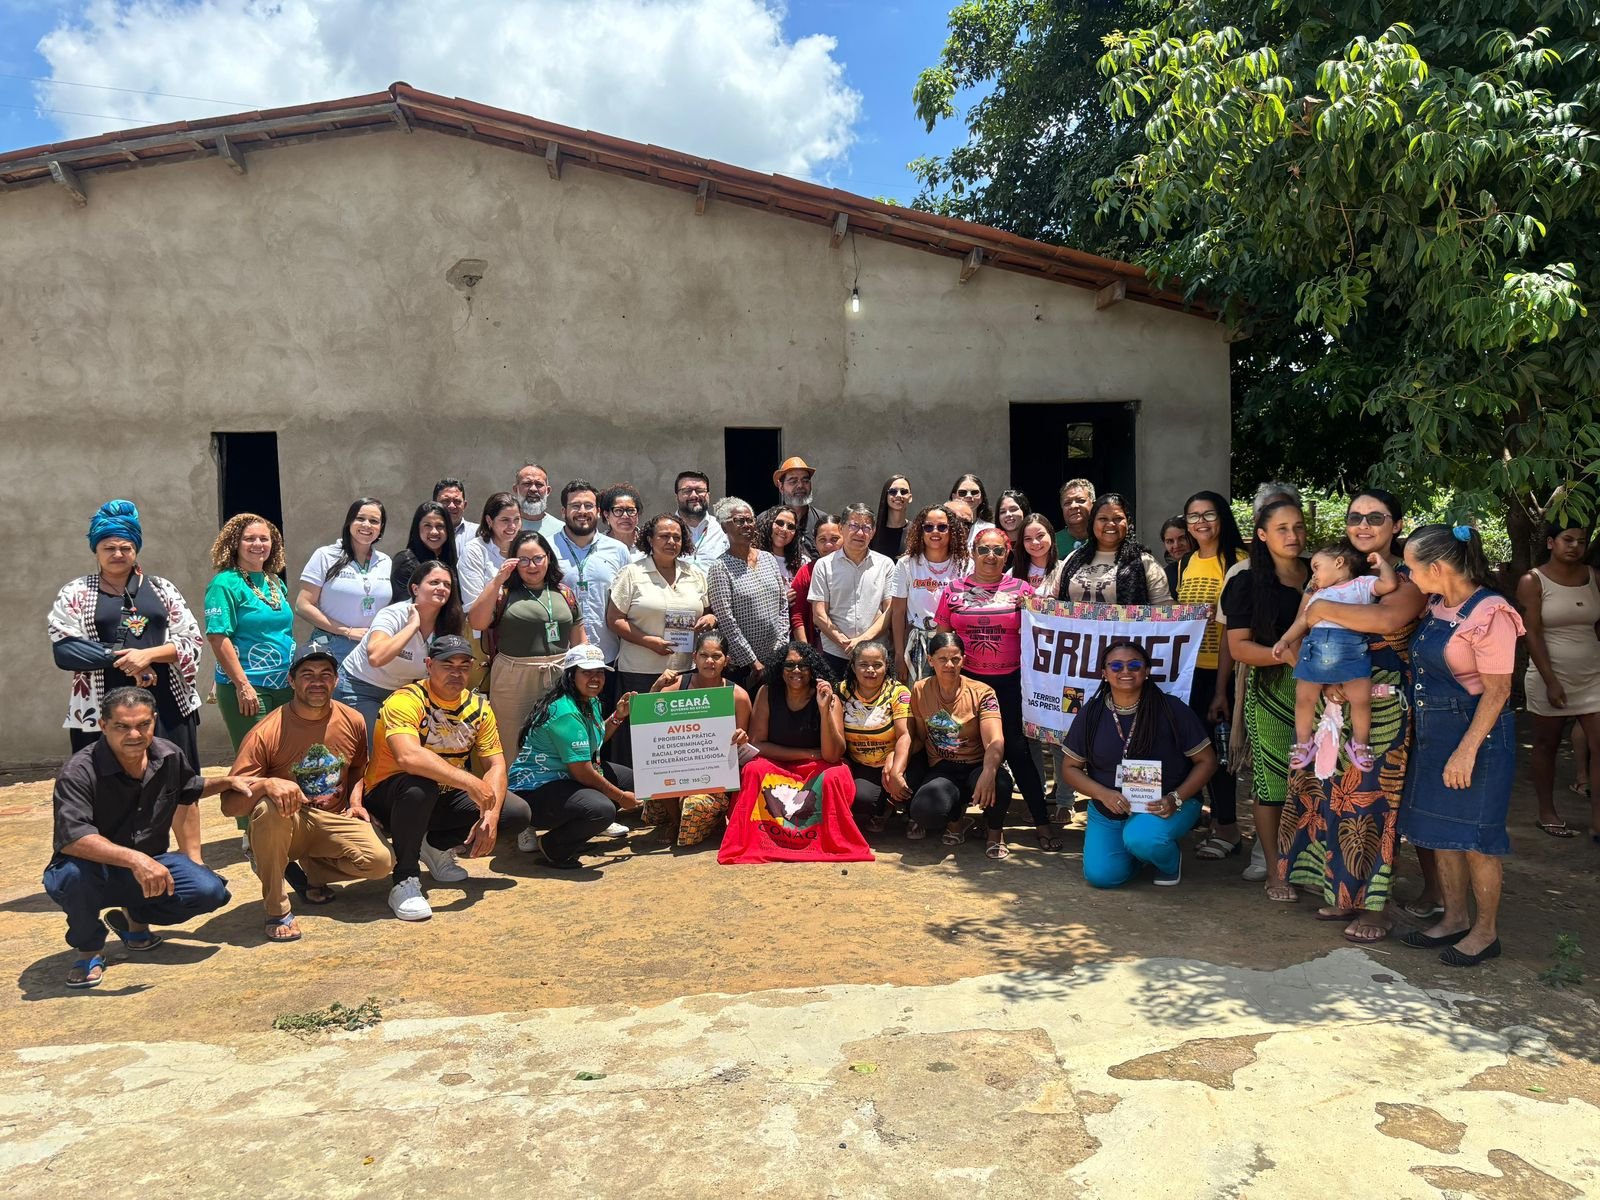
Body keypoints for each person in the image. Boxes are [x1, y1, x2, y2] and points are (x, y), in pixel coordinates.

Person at [1280, 489, 1427, 943]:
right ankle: (1341, 893)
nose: (1363, 525)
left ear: (1396, 525)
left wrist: (1322, 607)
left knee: (1372, 805)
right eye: (1355, 517)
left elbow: (1384, 621)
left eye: (1375, 517)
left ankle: (1376, 908)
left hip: (1381, 710)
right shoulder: (1323, 573)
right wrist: (1323, 683)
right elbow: (1299, 636)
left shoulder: (1409, 575)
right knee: (1330, 798)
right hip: (1329, 702)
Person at [43, 687, 256, 988]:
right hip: (90, 868)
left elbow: (188, 789)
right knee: (73, 879)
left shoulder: (167, 754)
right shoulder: (79, 771)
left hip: (148, 863)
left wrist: (226, 782)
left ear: (154, 721)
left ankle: (136, 921)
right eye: (122, 726)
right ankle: (89, 950)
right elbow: (73, 837)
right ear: (103, 726)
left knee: (209, 890)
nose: (134, 734)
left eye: (143, 724)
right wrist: (135, 859)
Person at [1397, 525, 1524, 967]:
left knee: (1476, 838)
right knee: (1441, 833)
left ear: (1436, 568)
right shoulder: (1437, 605)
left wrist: (1466, 750)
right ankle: (1453, 919)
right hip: (1436, 731)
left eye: (1412, 567)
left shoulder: (1493, 613)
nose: (1407, 576)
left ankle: (1485, 933)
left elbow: (1497, 691)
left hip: (1479, 736)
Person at [227, 647, 394, 942]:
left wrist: (355, 802)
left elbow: (358, 768)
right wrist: (266, 785)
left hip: (333, 817)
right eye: (307, 675)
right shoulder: (266, 732)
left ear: (336, 681)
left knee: (381, 863)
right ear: (291, 681)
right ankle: (276, 906)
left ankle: (308, 871)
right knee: (267, 809)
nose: (317, 681)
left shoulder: (353, 719)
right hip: (289, 820)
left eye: (325, 674)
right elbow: (230, 804)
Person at [49, 500, 205, 789]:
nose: (118, 554)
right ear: (96, 550)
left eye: (125, 547)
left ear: (136, 549)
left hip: (167, 705)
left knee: (179, 787)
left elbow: (192, 640)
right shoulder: (76, 592)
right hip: (100, 708)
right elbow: (65, 649)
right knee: (108, 791)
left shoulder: (162, 588)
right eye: (109, 548)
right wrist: (124, 660)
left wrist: (146, 655)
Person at [363, 635, 519, 921]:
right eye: (448, 665)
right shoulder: (406, 700)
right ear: (429, 665)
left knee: (513, 812)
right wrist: (472, 782)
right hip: (390, 795)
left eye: (464, 666)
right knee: (419, 786)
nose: (456, 673)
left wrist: (491, 815)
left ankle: (435, 847)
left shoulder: (479, 708)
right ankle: (404, 880)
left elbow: (496, 764)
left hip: (442, 794)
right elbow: (408, 757)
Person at [936, 526, 1059, 850]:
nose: (991, 556)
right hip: (967, 685)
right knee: (962, 750)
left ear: (1008, 555)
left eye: (998, 551)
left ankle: (1042, 823)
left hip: (1011, 683)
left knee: (1017, 752)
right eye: (984, 550)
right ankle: (962, 820)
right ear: (973, 553)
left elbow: (1046, 633)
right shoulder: (953, 591)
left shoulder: (1021, 591)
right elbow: (943, 640)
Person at [1059, 640, 1219, 887]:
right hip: (1110, 808)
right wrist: (1103, 794)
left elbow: (1206, 761)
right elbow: (1070, 768)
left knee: (1144, 837)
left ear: (1146, 671)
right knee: (1102, 877)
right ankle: (1139, 853)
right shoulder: (1091, 713)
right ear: (1104, 673)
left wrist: (1175, 798)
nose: (1125, 671)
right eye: (1116, 666)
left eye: (1134, 665)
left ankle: (1167, 861)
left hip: (1166, 804)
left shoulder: (1171, 709)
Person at [1221, 498, 1308, 904]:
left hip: (1329, 695)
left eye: (1298, 527)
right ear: (1262, 535)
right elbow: (1239, 647)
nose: (1293, 536)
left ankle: (1314, 864)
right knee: (1272, 784)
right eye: (1282, 529)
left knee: (1318, 782)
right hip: (1272, 690)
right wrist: (1287, 655)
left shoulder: (1325, 573)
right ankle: (1277, 868)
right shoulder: (1247, 582)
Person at [719, 640, 871, 864]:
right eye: (789, 665)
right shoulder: (766, 693)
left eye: (803, 665)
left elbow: (831, 756)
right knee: (753, 769)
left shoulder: (830, 699)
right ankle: (760, 839)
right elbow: (758, 744)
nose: (796, 671)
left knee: (834, 775)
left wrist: (824, 709)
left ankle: (825, 840)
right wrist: (809, 753)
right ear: (780, 670)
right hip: (781, 765)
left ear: (813, 670)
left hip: (817, 768)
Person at [508, 644, 641, 867]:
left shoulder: (589, 700)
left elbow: (593, 742)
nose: (595, 678)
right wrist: (620, 797)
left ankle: (574, 834)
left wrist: (618, 716)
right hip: (534, 790)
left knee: (634, 780)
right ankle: (554, 846)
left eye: (599, 672)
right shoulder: (566, 712)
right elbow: (582, 772)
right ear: (570, 674)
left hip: (565, 777)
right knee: (602, 809)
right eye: (586, 672)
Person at [1173, 491, 1249, 859]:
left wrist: (1221, 688)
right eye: (1192, 516)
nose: (1200, 522)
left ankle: (1229, 829)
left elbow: (1232, 630)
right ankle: (1212, 822)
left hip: (1223, 673)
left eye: (1208, 514)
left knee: (1219, 755)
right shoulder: (1187, 561)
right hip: (1189, 673)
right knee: (1196, 750)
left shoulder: (1238, 562)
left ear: (1223, 518)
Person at [1274, 544, 1399, 769]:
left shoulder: (1363, 585)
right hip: (1315, 649)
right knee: (1304, 698)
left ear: (1339, 563)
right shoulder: (1318, 594)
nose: (1314, 575)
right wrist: (1285, 640)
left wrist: (1383, 565)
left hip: (1352, 650)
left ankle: (1360, 744)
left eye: (1317, 567)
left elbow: (1389, 584)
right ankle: (1303, 743)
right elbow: (1303, 621)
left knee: (1361, 701)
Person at [1517, 521, 1600, 838]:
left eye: (1581, 541)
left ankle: (1597, 822)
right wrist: (1551, 681)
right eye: (1567, 539)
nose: (1575, 546)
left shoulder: (1594, 578)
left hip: (1592, 675)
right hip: (1549, 675)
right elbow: (1532, 634)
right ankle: (1547, 812)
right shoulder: (1532, 580)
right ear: (1551, 542)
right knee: (1546, 744)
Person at [607, 513, 714, 759]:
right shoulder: (632, 573)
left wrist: (710, 619)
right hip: (639, 672)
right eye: (664, 536)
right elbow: (614, 619)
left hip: (683, 671)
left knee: (675, 742)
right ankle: (633, 793)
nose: (671, 542)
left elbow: (707, 612)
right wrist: (648, 641)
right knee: (638, 741)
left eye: (677, 537)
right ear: (650, 539)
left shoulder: (694, 573)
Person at [470, 531, 585, 747]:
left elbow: (580, 643)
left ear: (548, 558)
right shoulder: (503, 593)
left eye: (537, 558)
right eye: (523, 560)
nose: (532, 566)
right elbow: (477, 622)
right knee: (512, 743)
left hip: (559, 676)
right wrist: (497, 580)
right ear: (513, 563)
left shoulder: (565, 593)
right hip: (514, 679)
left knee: (559, 743)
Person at [638, 630, 753, 846]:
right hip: (676, 770)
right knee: (657, 770)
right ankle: (674, 821)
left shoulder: (738, 696)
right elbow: (647, 727)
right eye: (704, 655)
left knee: (694, 807)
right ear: (694, 657)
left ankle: (711, 817)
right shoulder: (676, 686)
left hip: (715, 774)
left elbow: (742, 750)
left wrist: (741, 738)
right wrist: (655, 688)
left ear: (726, 660)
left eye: (716, 656)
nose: (710, 661)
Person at [905, 632, 1012, 858]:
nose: (949, 665)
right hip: (943, 767)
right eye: (942, 659)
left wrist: (989, 771)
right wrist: (895, 767)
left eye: (956, 658)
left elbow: (995, 740)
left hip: (976, 764)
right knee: (924, 810)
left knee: (1000, 783)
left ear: (964, 659)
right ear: (930, 660)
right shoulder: (919, 690)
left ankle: (994, 832)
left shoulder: (983, 692)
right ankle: (957, 820)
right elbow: (919, 737)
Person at [337, 561, 464, 748]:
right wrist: (413, 626)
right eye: (434, 582)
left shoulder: (449, 624)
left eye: (447, 584)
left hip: (403, 694)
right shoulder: (393, 614)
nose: (441, 588)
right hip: (360, 688)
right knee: (381, 747)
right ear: (415, 588)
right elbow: (376, 657)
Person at [205, 512, 296, 752]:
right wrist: (242, 685)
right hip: (249, 687)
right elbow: (217, 637)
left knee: (284, 757)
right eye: (249, 539)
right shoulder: (224, 584)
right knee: (256, 759)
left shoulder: (274, 581)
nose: (258, 545)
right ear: (235, 543)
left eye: (264, 539)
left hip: (284, 684)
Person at [552, 480, 634, 689]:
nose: (582, 511)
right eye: (575, 506)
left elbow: (629, 602)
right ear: (563, 511)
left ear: (598, 511)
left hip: (606, 657)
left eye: (588, 506)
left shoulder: (618, 550)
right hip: (560, 657)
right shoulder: (547, 547)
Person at [295, 498, 392, 666]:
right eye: (360, 518)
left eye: (374, 521)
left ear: (381, 528)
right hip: (332, 645)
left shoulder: (386, 562)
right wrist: (347, 631)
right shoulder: (326, 555)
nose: (367, 525)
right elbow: (303, 605)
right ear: (349, 521)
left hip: (370, 648)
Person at [706, 496, 789, 692]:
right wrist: (753, 662)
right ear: (725, 527)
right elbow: (726, 620)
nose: (746, 525)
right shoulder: (720, 567)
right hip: (743, 667)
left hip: (775, 660)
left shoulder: (768, 558)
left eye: (749, 520)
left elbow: (783, 606)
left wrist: (780, 649)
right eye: (739, 521)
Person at [809, 504, 896, 679]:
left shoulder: (885, 565)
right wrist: (843, 641)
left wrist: (862, 640)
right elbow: (819, 614)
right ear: (842, 528)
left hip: (874, 656)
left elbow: (890, 611)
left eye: (866, 527)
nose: (860, 533)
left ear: (873, 532)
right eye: (854, 526)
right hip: (835, 654)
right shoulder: (824, 565)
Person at [837, 639, 913, 831]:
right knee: (861, 800)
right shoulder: (841, 692)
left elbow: (905, 735)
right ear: (853, 667)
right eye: (863, 664)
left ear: (886, 666)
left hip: (898, 760)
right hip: (862, 763)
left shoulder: (898, 692)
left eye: (877, 665)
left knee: (913, 795)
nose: (870, 670)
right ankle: (885, 807)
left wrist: (895, 766)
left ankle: (906, 809)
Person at [890, 504, 970, 683]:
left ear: (952, 531)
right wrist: (898, 653)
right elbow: (898, 613)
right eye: (928, 527)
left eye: (942, 527)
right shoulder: (906, 564)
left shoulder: (965, 565)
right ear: (920, 530)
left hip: (954, 644)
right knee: (919, 701)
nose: (935, 531)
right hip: (917, 645)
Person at [1055, 493, 1171, 603]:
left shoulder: (1145, 563)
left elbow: (1163, 606)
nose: (1110, 524)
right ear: (1092, 523)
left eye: (1117, 518)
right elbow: (1052, 597)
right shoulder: (1073, 559)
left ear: (1128, 523)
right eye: (1103, 519)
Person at [759, 457, 833, 560]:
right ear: (781, 487)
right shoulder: (764, 520)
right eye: (793, 481)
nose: (800, 485)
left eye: (805, 480)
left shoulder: (823, 522)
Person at [457, 492, 522, 609]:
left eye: (516, 519)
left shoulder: (525, 547)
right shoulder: (475, 551)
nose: (512, 526)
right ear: (489, 521)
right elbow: (472, 605)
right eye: (505, 520)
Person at [390, 501, 458, 603]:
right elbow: (405, 605)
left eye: (440, 526)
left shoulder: (451, 560)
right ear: (417, 528)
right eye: (427, 525)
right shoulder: (405, 561)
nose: (434, 532)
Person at [788, 518, 843, 646]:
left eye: (835, 539)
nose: (828, 545)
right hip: (818, 648)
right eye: (822, 540)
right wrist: (806, 654)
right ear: (815, 543)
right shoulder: (806, 572)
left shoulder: (856, 570)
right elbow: (797, 617)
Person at [674, 470, 729, 566]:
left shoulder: (723, 528)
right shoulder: (662, 530)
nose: (694, 495)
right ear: (676, 497)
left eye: (700, 491)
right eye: (687, 491)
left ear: (708, 495)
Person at [513, 462, 565, 541]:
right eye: (527, 483)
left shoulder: (561, 530)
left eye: (539, 484)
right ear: (515, 489)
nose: (533, 489)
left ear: (548, 491)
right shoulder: (505, 527)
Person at [1012, 512, 1062, 593]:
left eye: (1040, 536)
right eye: (1028, 539)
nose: (1035, 542)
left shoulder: (1064, 569)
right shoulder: (1013, 573)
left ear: (1051, 535)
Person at [756, 505, 805, 586]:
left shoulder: (802, 563)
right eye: (780, 523)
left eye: (791, 526)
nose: (784, 529)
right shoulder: (754, 559)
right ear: (768, 524)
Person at [871, 476, 914, 559]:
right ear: (885, 496)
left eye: (904, 491)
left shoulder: (916, 532)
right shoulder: (872, 532)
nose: (898, 495)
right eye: (893, 492)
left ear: (910, 497)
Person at [1056, 479, 1095, 558]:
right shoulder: (1052, 542)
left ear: (1094, 504)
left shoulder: (1105, 538)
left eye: (1080, 500)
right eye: (1067, 503)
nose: (1073, 506)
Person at [434, 478, 476, 549]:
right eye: (445, 501)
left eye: (457, 501)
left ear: (464, 505)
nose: (452, 506)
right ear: (434, 505)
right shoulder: (427, 534)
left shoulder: (477, 534)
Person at [600, 483, 644, 551]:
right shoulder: (597, 546)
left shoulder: (650, 543)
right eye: (618, 511)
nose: (625, 516)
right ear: (607, 515)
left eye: (631, 510)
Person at [1160, 517, 1195, 591]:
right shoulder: (1165, 576)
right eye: (1170, 541)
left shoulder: (1206, 567)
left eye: (1182, 538)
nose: (1176, 545)